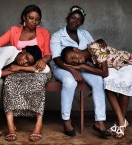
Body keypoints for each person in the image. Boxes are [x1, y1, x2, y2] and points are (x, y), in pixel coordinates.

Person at [0, 5, 52, 142]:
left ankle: (38, 124)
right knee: (9, 83)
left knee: (38, 83)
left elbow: (47, 53)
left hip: (37, 68)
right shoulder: (14, 31)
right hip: (17, 67)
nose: (34, 22)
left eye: (37, 19)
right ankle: (11, 125)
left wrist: (43, 60)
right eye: (31, 18)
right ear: (24, 17)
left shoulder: (44, 32)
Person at [60, 39, 132, 139]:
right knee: (107, 84)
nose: (76, 61)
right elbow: (104, 72)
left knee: (123, 85)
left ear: (76, 49)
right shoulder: (88, 60)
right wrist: (81, 66)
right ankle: (121, 121)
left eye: (74, 57)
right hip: (115, 69)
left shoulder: (94, 47)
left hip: (127, 65)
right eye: (73, 63)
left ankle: (121, 122)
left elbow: (104, 72)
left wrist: (82, 66)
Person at [50, 5, 110, 137]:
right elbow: (56, 59)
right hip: (62, 67)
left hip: (83, 67)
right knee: (70, 82)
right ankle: (66, 120)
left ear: (81, 23)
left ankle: (99, 121)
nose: (75, 22)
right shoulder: (57, 36)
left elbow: (93, 50)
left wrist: (99, 43)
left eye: (79, 20)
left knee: (98, 80)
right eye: (73, 18)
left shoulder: (85, 34)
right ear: (67, 18)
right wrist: (71, 69)